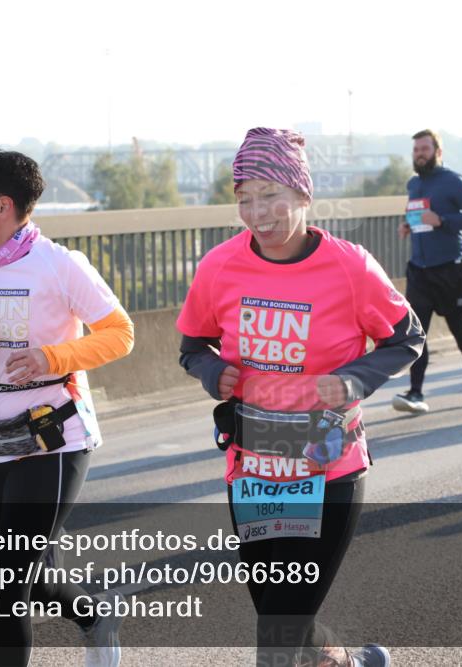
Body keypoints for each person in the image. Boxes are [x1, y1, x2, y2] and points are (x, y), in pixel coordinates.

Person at [177, 127, 423, 667]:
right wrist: (211, 368)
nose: (257, 212)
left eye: (270, 196)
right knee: (281, 614)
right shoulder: (220, 265)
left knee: (277, 633)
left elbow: (407, 337)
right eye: (244, 199)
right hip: (253, 467)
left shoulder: (350, 265)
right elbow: (193, 343)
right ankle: (345, 662)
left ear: (302, 195)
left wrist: (355, 380)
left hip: (326, 468)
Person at [0, 151, 134, 667]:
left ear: (3, 206)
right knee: (25, 573)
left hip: (53, 437)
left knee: (5, 581)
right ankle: (92, 612)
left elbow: (120, 334)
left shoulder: (59, 265)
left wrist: (50, 356)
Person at [391, 129, 462, 414]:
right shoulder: (413, 184)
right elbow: (419, 215)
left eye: (425, 149)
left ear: (438, 152)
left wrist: (442, 220)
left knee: (459, 328)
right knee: (417, 333)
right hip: (419, 270)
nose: (420, 154)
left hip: (450, 268)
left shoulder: (454, 181)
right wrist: (408, 225)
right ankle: (416, 392)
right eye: (416, 150)